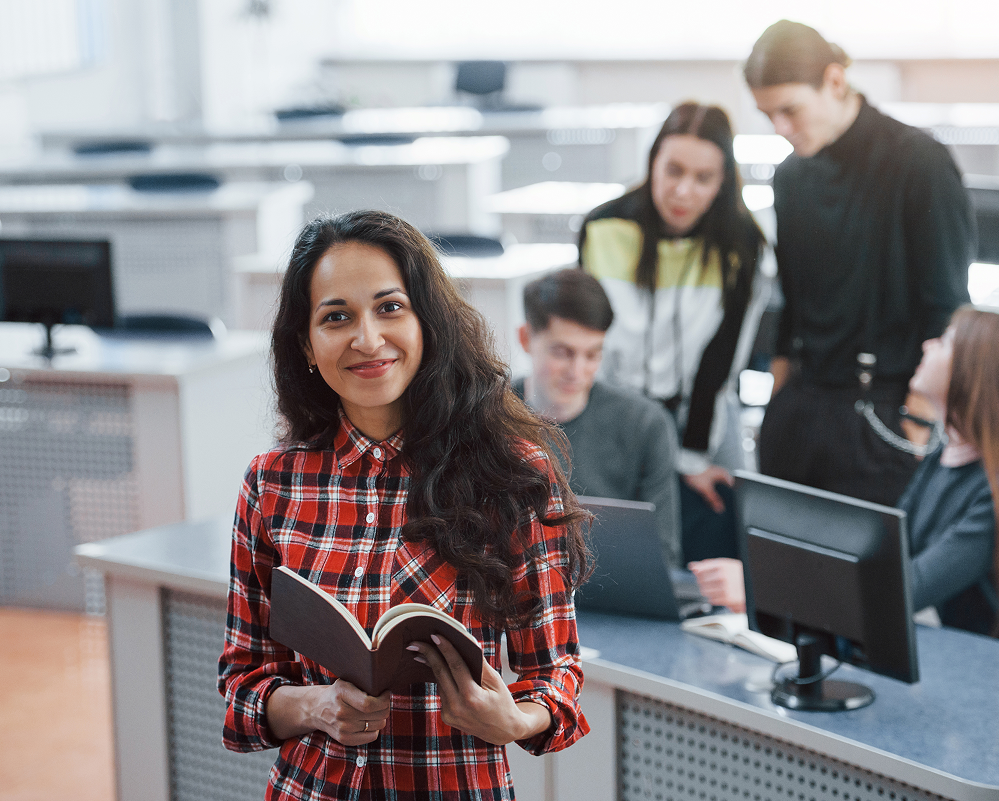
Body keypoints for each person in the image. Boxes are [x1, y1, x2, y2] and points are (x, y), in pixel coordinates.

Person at [218, 210, 592, 800]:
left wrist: (514, 720)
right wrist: (316, 707)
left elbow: (557, 677)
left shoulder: (513, 475)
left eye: (390, 308)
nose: (367, 339)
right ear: (308, 346)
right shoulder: (273, 484)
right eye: (336, 317)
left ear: (428, 323)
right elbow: (242, 685)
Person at [691, 307, 999, 666]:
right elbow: (882, 559)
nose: (927, 346)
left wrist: (760, 586)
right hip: (981, 663)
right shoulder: (944, 456)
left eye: (944, 341)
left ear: (975, 370)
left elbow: (903, 591)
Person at [744, 20, 974, 507]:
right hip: (801, 406)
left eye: (790, 110)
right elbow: (791, 304)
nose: (780, 129)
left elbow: (946, 304)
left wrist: (916, 422)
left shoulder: (918, 161)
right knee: (780, 570)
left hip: (883, 411)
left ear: (834, 80)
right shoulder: (790, 177)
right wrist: (778, 404)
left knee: (869, 581)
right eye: (768, 115)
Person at [578, 101, 771, 563]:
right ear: (653, 164)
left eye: (703, 178)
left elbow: (720, 365)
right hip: (617, 412)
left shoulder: (742, 245)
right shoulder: (603, 228)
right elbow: (589, 343)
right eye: (674, 170)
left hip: (699, 416)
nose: (683, 190)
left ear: (722, 182)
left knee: (730, 537)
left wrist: (690, 460)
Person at [514, 268, 681, 566]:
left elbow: (663, 556)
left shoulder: (645, 425)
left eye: (592, 355)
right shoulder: (486, 415)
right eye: (563, 352)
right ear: (526, 339)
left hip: (612, 597)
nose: (577, 372)